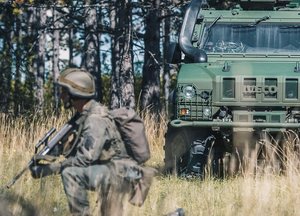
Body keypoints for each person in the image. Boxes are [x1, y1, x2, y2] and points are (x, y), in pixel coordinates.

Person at [30, 67, 150, 216]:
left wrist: (49, 169)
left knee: (70, 173)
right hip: (113, 170)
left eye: (64, 92)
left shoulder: (95, 119)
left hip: (123, 174)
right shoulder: (83, 115)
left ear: (74, 94)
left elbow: (84, 160)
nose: (61, 96)